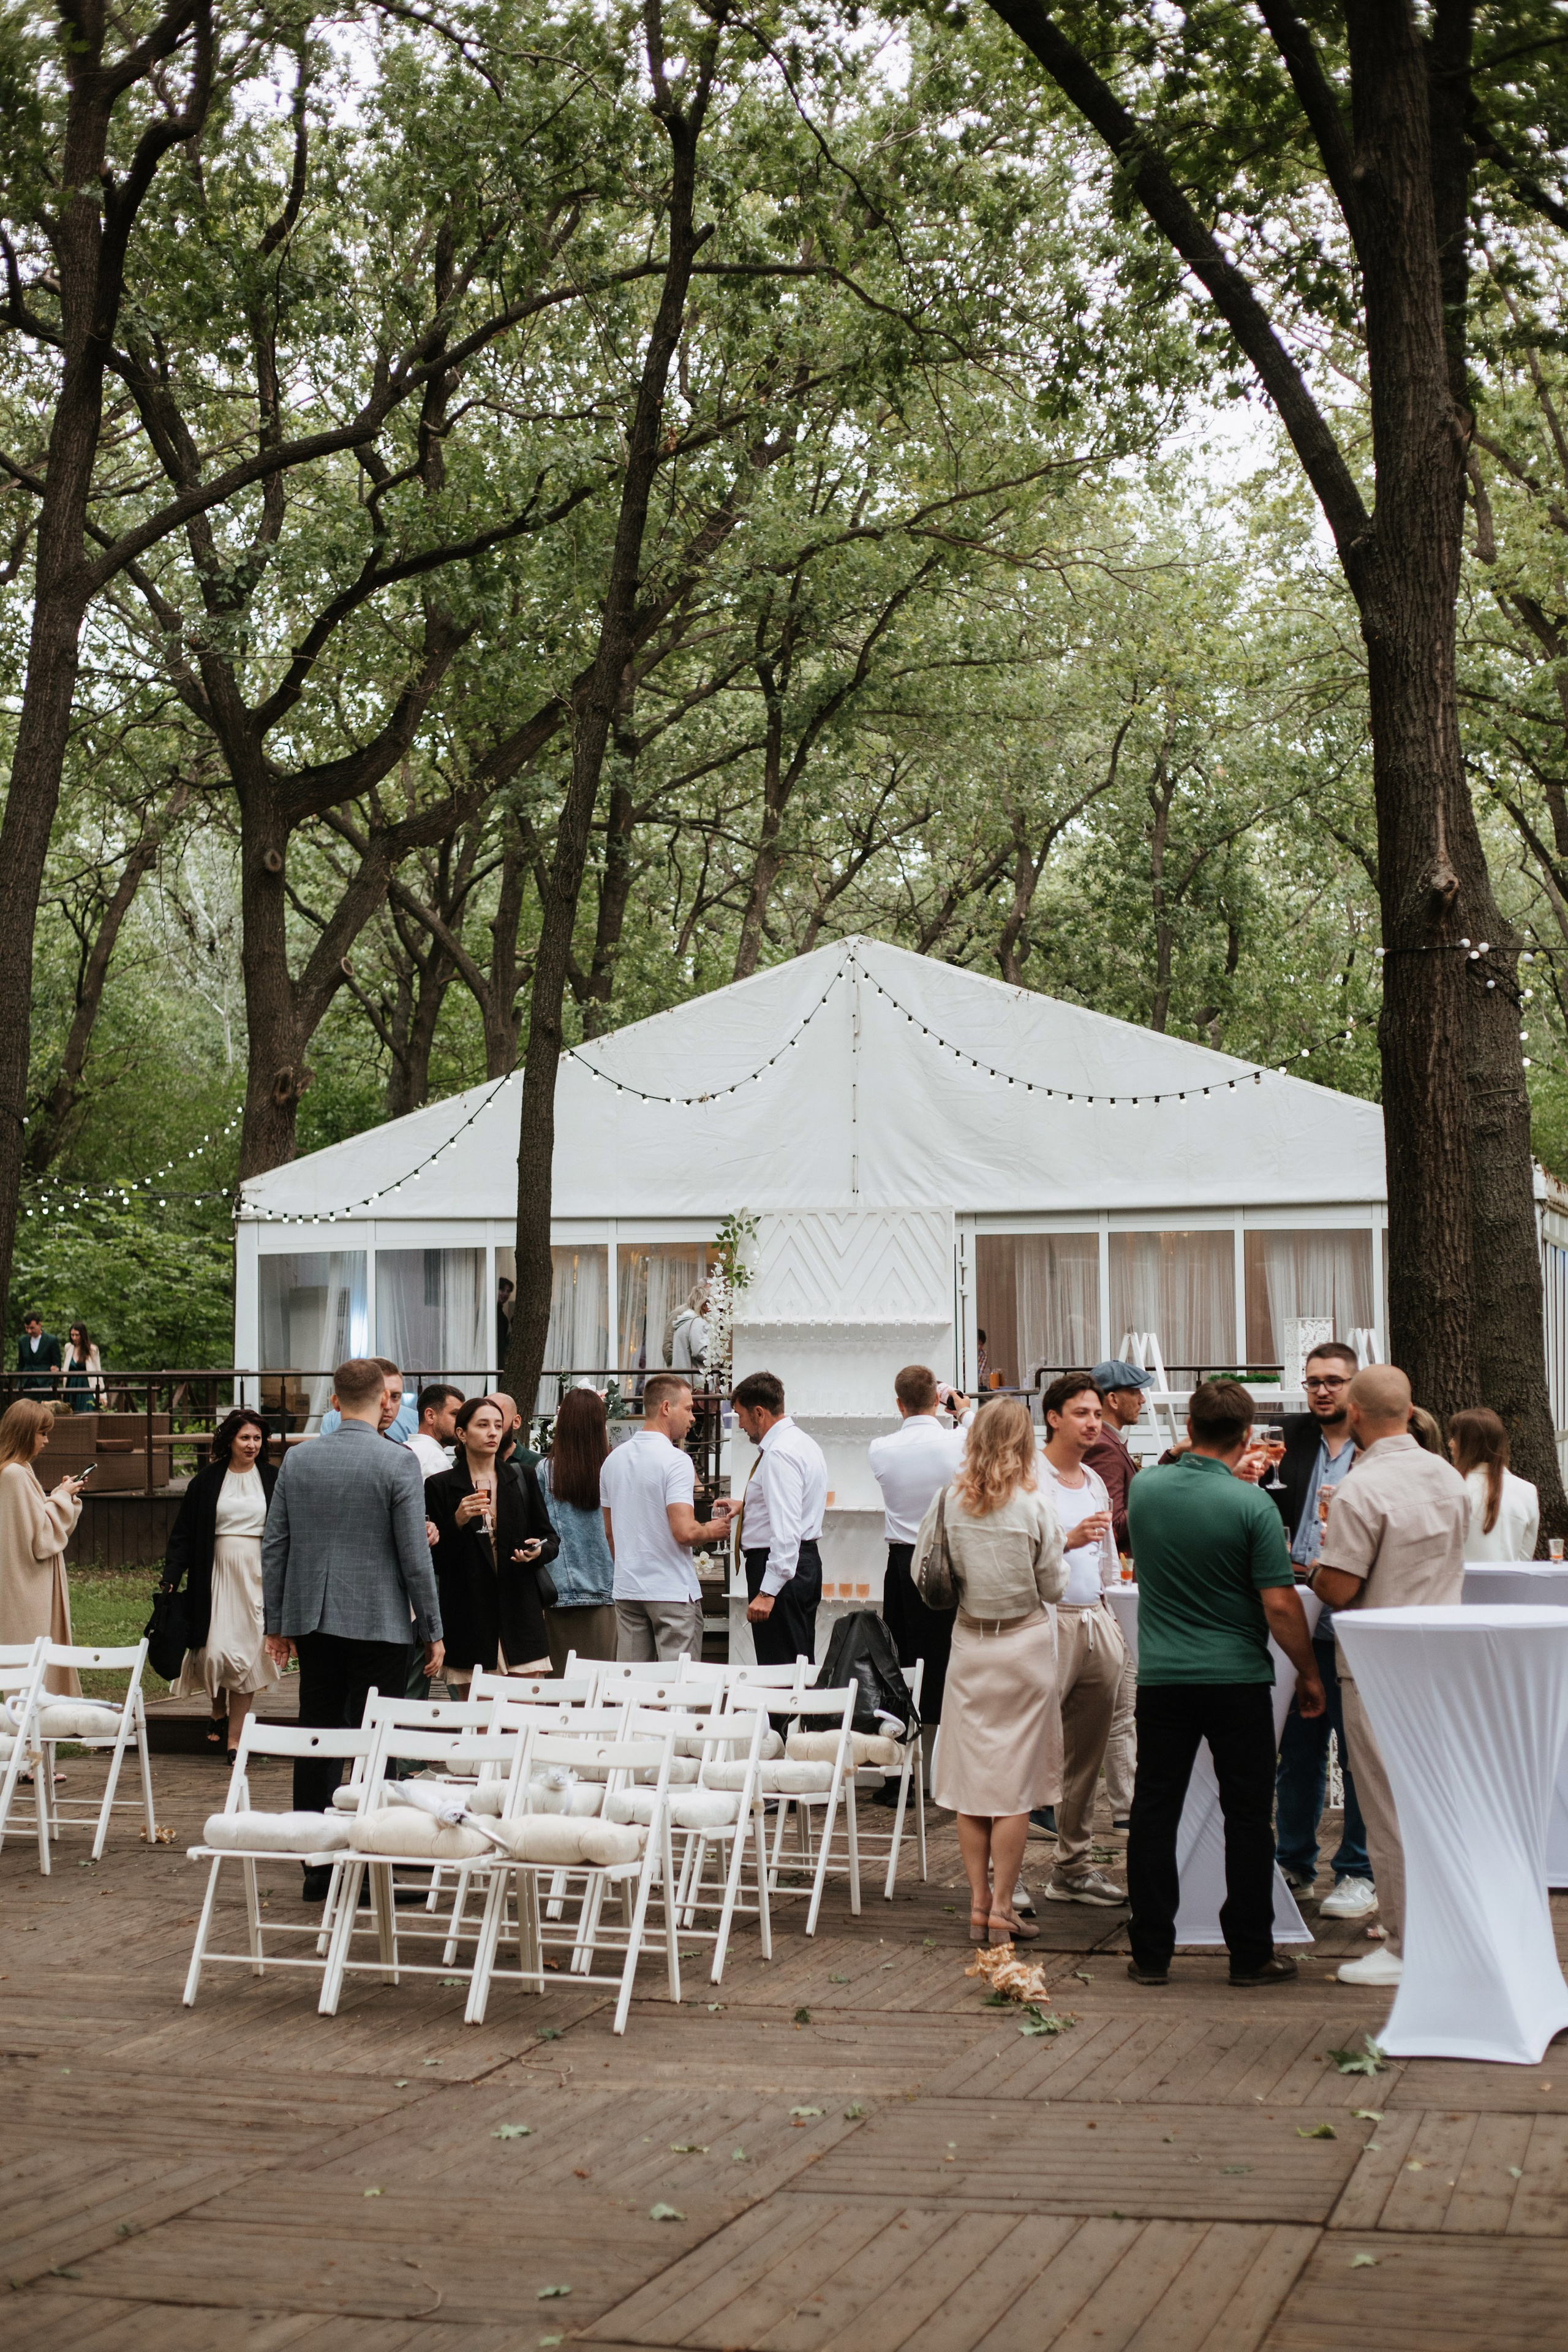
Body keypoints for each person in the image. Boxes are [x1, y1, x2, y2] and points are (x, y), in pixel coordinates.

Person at [1124, 1377, 1325, 1989]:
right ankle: (1249, 1951)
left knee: (1154, 1809)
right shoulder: (1251, 1507)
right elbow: (1281, 1606)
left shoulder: (1146, 1489)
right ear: (1245, 1436)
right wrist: (1309, 1675)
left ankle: (1151, 1952)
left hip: (1162, 1675)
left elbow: (1175, 1469)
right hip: (1235, 1675)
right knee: (1246, 1815)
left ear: (1188, 1427)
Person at [1310, 1363, 1471, 1989]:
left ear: (1354, 1414)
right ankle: (1440, 1922)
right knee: (1433, 1797)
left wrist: (1319, 1569)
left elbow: (1341, 1588)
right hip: (1443, 1655)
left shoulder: (1360, 1489)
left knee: (1386, 1807)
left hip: (1380, 1662)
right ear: (1408, 1413)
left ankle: (1407, 1944)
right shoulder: (1446, 1476)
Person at [262, 1356, 444, 1896]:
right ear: (384, 1401)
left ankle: (317, 1865)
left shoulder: (300, 1461)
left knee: (317, 1735)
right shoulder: (398, 1463)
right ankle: (370, 1865)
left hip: (315, 1620)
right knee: (376, 1743)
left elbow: (275, 1545)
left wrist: (277, 1622)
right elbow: (415, 1556)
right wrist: (432, 1627)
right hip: (380, 1621)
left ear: (336, 1400)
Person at [913, 1396, 1066, 1945]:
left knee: (975, 1784)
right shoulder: (1035, 1506)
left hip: (970, 1646)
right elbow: (1054, 1586)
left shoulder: (948, 1501)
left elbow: (922, 1571)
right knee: (1015, 1789)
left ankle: (979, 1906)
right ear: (1025, 1444)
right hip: (1023, 1648)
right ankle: (1004, 1908)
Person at [1265, 1340, 1375, 1923]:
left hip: (1357, 1617)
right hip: (1299, 1616)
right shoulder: (1290, 1436)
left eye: (1333, 1380)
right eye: (1313, 1382)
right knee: (1299, 1752)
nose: (1323, 1390)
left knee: (1359, 1755)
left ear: (1355, 1386)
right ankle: (1295, 1863)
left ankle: (1358, 1871)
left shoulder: (1376, 1445)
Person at [1036, 1374, 1128, 1908]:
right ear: (1054, 1418)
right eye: (1081, 1414)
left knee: (1087, 1753)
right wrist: (1066, 1540)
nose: (1093, 1422)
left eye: (1097, 1414)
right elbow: (1017, 1548)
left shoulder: (1093, 1478)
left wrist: (1113, 1614)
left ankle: (1072, 1866)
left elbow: (1107, 1555)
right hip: (1049, 1622)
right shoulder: (1030, 1476)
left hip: (1096, 1618)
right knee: (1033, 1748)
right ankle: (1010, 1876)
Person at [165, 1409, 281, 1760]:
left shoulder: (273, 1479)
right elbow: (183, 1533)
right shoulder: (207, 1480)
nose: (252, 1445)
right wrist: (171, 1577)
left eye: (257, 1438)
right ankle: (217, 1710)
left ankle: (236, 1740)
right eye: (245, 1438)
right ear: (230, 1439)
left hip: (257, 1575)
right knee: (214, 1651)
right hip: (214, 1574)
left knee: (246, 1656)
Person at [424, 1395, 558, 1686]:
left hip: (521, 1618)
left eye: (498, 1425)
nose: (493, 1432)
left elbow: (551, 1539)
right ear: (462, 1433)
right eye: (483, 1425)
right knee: (480, 1725)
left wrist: (537, 1552)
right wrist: (457, 1521)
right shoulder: (440, 1487)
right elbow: (437, 1561)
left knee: (524, 1723)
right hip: (469, 1621)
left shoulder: (522, 1477)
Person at [601, 1372, 728, 1661]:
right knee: (678, 1690)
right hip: (670, 1589)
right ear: (667, 1407)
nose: (693, 1418)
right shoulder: (676, 1460)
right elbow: (684, 1532)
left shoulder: (613, 1460)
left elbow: (609, 1533)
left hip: (628, 1587)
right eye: (689, 1409)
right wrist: (713, 1530)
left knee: (633, 1687)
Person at [868, 1365, 963, 1729]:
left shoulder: (881, 1449)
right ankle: (941, 1752)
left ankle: (904, 1749)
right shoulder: (958, 1442)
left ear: (899, 1404)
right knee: (944, 1653)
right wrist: (963, 1410)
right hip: (947, 1557)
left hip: (902, 1561)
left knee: (903, 1657)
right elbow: (985, 1435)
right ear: (937, 1403)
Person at [1086, 1358, 1155, 1834]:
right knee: (1121, 1704)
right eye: (1136, 1392)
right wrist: (1154, 1498)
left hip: (1106, 1591)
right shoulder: (1108, 1450)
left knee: (1118, 1705)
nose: (1143, 1400)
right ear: (1113, 1398)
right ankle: (1128, 1805)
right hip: (1111, 1594)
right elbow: (1110, 1526)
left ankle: (1126, 1802)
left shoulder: (1111, 1445)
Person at [727, 1370, 827, 1669]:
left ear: (759, 1413)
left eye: (741, 1415)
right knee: (797, 1662)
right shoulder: (801, 1443)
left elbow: (786, 1530)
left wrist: (768, 1591)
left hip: (781, 1569)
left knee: (780, 1670)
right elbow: (789, 1507)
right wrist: (746, 1506)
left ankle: (785, 1718)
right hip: (801, 1564)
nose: (741, 1424)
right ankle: (798, 1717)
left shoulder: (779, 1454)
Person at [0, 1398, 86, 1694]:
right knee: (31, 1661)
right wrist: (62, 1497)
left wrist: (59, 1496)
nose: (47, 1441)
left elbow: (34, 1523)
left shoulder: (17, 1470)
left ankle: (37, 1732)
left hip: (26, 1582)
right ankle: (28, 1732)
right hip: (26, 1585)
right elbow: (40, 1540)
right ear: (25, 1433)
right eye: (42, 1433)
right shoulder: (13, 1474)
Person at [538, 1387, 617, 1672]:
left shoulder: (545, 1471)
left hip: (558, 1593)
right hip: (608, 1589)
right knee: (602, 1687)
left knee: (562, 1687)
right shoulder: (613, 1468)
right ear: (600, 1425)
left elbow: (539, 1529)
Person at [1449, 1406, 1540, 1561]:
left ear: (1470, 1445)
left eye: (1455, 1438)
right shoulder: (1528, 1491)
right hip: (1511, 1585)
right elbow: (1524, 1559)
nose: (1450, 1444)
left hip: (1459, 1584)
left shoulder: (1449, 1486)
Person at [318, 1358, 417, 1443]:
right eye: (380, 1395)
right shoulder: (331, 1420)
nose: (387, 1405)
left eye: (395, 1396)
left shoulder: (414, 1419)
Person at [407, 1382, 463, 1479]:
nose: (461, 1421)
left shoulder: (403, 1448)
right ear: (430, 1416)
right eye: (455, 1414)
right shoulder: (437, 1460)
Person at [62, 1322, 105, 1412]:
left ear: (82, 1335)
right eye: (72, 1335)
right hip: (71, 1385)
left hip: (86, 1385)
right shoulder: (68, 1347)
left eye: (77, 1335)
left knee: (86, 1410)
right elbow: (66, 1367)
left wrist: (102, 1395)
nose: (74, 1338)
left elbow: (98, 1371)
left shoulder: (92, 1349)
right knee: (70, 1411)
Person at [15, 1313, 61, 1398]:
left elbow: (57, 1364)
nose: (29, 1331)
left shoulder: (51, 1340)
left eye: (32, 1328)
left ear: (39, 1324)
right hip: (26, 1384)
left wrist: (51, 1383)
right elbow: (21, 1364)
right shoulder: (22, 1341)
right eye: (27, 1328)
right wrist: (20, 1382)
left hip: (44, 1384)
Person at [669, 1285, 711, 1376]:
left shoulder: (684, 1321)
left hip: (683, 1379)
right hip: (696, 1381)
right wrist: (717, 1355)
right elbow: (700, 1352)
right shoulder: (697, 1322)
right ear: (704, 1305)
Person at [496, 1275, 514, 1365]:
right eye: (502, 1290)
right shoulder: (491, 1313)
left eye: (508, 1292)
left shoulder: (502, 1315)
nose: (505, 1294)